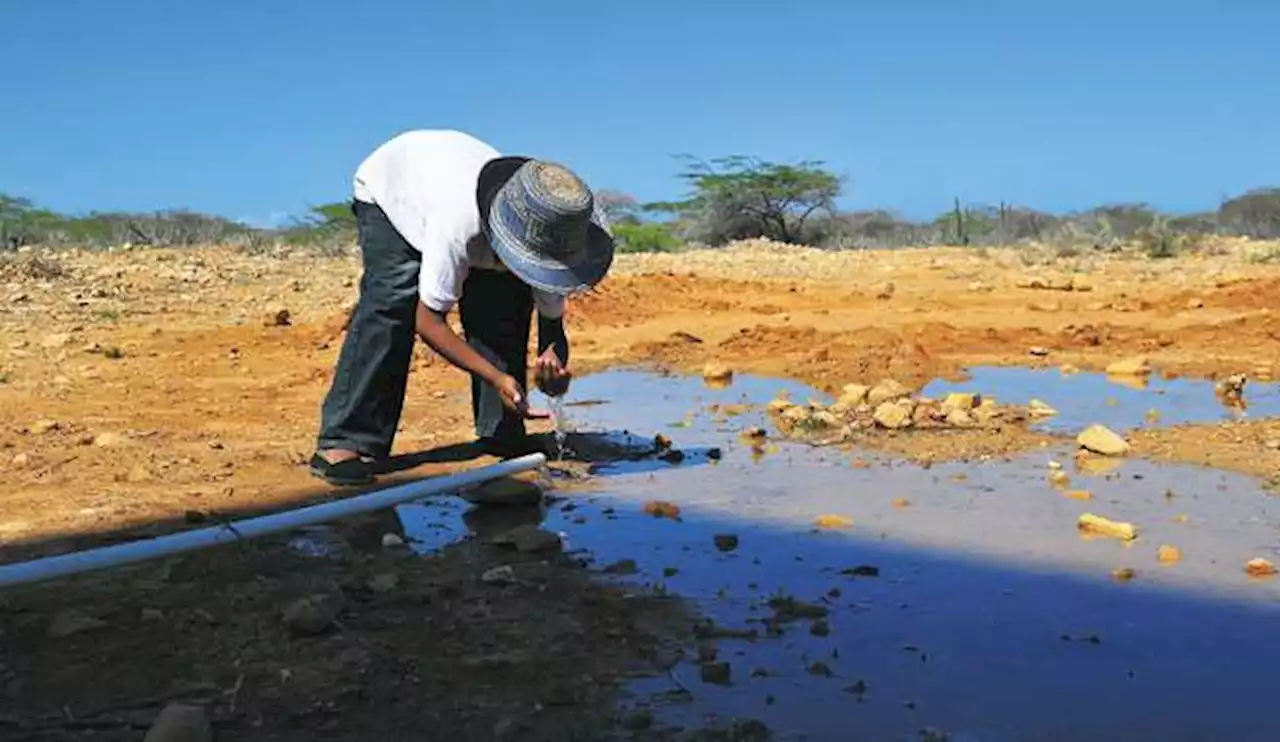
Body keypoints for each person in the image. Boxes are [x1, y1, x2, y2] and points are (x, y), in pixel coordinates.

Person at [310, 129, 615, 486]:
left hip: (466, 195)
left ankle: (501, 432)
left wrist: (553, 364)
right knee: (394, 300)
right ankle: (345, 439)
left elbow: (553, 332)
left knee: (504, 308)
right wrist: (496, 377)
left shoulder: (549, 240)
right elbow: (428, 321)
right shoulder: (458, 224)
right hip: (394, 187)